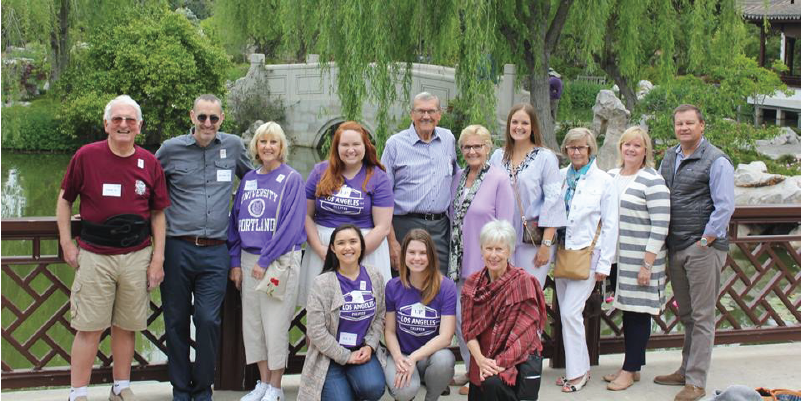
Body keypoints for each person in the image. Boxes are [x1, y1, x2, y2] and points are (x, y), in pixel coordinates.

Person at [57, 95, 170, 401]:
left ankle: (121, 387)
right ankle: (77, 392)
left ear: (139, 126)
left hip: (136, 255)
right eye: (117, 119)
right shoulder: (86, 156)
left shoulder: (150, 162)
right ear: (106, 124)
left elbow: (159, 212)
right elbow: (65, 200)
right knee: (88, 328)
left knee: (126, 326)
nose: (123, 125)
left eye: (130, 120)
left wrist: (157, 258)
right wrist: (67, 244)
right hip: (94, 255)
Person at [156, 94, 252, 401]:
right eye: (202, 117)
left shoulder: (233, 146)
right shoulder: (170, 150)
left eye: (213, 118)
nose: (207, 123)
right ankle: (181, 389)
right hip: (177, 248)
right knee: (175, 320)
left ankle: (202, 389)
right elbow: (144, 184)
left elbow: (256, 181)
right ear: (192, 117)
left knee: (209, 320)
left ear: (221, 119)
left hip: (216, 251)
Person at [655, 104, 734, 401]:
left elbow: (725, 206)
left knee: (702, 317)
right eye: (679, 123)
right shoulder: (670, 156)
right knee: (687, 314)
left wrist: (706, 240)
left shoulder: (717, 160)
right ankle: (686, 370)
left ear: (702, 126)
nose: (684, 128)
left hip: (702, 248)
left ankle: (697, 382)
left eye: (690, 123)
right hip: (676, 245)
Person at [228, 122, 307, 401]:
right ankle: (262, 383)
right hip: (250, 260)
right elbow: (235, 222)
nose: (268, 147)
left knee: (275, 324)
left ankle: (275, 387)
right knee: (254, 325)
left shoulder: (291, 179)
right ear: (256, 147)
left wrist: (265, 259)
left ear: (282, 146)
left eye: (274, 142)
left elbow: (290, 225)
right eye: (263, 142)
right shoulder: (248, 179)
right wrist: (235, 261)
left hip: (278, 261)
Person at [449, 124, 515, 395]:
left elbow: (506, 226)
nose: (472, 151)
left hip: (485, 264)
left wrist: (497, 264)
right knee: (461, 321)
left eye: (478, 146)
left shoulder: (499, 179)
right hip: (457, 264)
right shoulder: (458, 177)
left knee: (484, 324)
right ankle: (470, 368)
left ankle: (482, 374)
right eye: (467, 147)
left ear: (489, 148)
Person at [299, 121, 393, 307]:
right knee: (320, 313)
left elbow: (383, 227)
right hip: (324, 251)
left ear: (365, 146)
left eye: (356, 144)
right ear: (336, 147)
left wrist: (354, 253)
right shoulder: (320, 172)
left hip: (366, 251)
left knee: (362, 310)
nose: (351, 150)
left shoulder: (378, 177)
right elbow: (306, 215)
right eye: (345, 145)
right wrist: (320, 248)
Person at [604, 126, 671, 391]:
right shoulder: (610, 176)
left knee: (637, 314)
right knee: (625, 309)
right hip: (615, 258)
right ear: (620, 147)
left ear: (646, 151)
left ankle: (630, 370)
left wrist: (647, 264)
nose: (631, 149)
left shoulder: (652, 180)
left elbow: (660, 225)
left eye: (637, 145)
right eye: (627, 144)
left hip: (640, 260)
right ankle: (632, 365)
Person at [554, 127, 618, 392]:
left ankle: (578, 373)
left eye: (581, 147)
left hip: (588, 256)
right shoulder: (559, 177)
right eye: (571, 147)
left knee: (570, 313)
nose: (576, 152)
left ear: (590, 150)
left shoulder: (604, 181)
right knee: (568, 315)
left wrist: (605, 265)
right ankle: (577, 369)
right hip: (562, 254)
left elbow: (611, 224)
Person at [461, 220, 547, 400]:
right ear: (481, 249)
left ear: (509, 251)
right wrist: (482, 361)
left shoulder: (523, 282)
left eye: (499, 249)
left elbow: (526, 335)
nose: (493, 255)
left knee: (493, 383)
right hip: (482, 361)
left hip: (514, 361)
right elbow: (468, 331)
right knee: (486, 382)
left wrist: (498, 364)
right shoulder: (472, 284)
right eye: (489, 248)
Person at [298, 225, 386, 401]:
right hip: (329, 356)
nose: (347, 247)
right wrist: (346, 357)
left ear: (361, 245)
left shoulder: (374, 275)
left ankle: (351, 383)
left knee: (373, 388)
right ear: (333, 248)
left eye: (353, 242)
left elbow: (379, 316)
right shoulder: (322, 283)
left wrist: (369, 346)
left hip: (361, 350)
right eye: (341, 243)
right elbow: (316, 331)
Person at [381, 92, 458, 276]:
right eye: (420, 111)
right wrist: (392, 242)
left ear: (439, 114)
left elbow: (456, 176)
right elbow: (382, 197)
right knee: (404, 281)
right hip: (404, 226)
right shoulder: (395, 144)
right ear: (411, 114)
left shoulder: (448, 139)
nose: (426, 116)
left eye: (431, 111)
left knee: (439, 281)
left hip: (440, 227)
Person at [489, 104, 566, 287]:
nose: (519, 127)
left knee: (528, 294)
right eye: (515, 122)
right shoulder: (498, 157)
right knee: (502, 295)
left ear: (533, 127)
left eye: (525, 122)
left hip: (532, 240)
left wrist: (546, 245)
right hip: (502, 239)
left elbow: (553, 202)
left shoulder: (545, 158)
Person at [384, 229, 457, 401]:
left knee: (445, 360)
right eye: (412, 252)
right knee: (404, 392)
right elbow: (389, 331)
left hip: (429, 357)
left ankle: (431, 398)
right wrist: (398, 357)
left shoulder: (446, 287)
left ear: (431, 255)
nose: (417, 258)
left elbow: (446, 337)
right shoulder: (393, 286)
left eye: (423, 253)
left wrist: (414, 358)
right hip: (401, 354)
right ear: (404, 255)